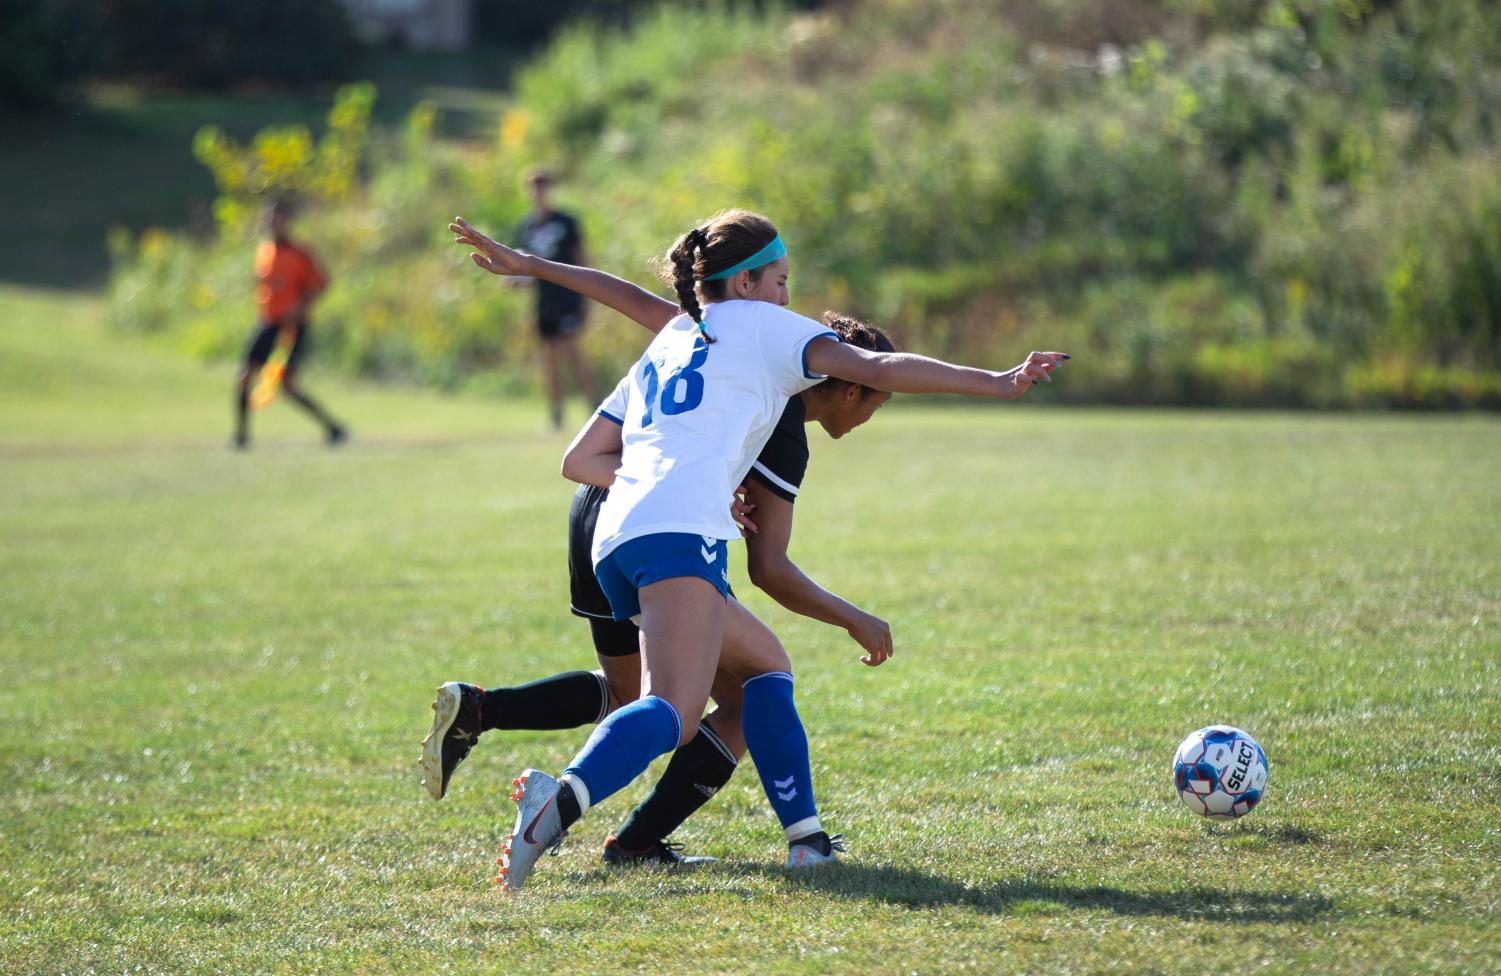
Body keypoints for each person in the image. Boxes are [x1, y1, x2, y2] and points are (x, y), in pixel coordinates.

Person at [451, 209, 1066, 892]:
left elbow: (596, 399)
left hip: (617, 537)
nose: (786, 297)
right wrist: (998, 380)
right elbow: (877, 363)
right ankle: (557, 803)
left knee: (766, 668)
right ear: (744, 282)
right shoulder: (766, 327)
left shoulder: (683, 332)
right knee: (673, 713)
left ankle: (806, 843)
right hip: (679, 533)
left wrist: (532, 266)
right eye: (778, 280)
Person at [420, 310, 897, 868]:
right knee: (743, 686)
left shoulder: (730, 354)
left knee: (635, 696)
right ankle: (784, 841)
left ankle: (482, 709)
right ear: (850, 388)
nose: (873, 416)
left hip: (597, 517)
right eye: (877, 402)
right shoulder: (783, 419)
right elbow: (769, 569)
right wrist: (854, 619)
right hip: (663, 529)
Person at [233, 199, 346, 450]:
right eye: (268, 218)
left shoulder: (299, 253)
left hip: (292, 326)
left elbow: (320, 283)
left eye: (277, 218)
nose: (272, 223)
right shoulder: (264, 250)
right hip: (267, 322)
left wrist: (301, 305)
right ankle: (241, 438)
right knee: (243, 376)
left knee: (287, 385)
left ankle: (333, 428)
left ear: (287, 221)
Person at [516, 169, 600, 431]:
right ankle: (556, 415)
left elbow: (582, 258)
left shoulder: (566, 222)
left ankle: (596, 411)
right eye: (533, 187)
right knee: (549, 359)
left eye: (542, 186)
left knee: (574, 354)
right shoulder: (526, 226)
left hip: (568, 296)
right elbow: (525, 264)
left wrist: (588, 297)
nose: (538, 192)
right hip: (544, 300)